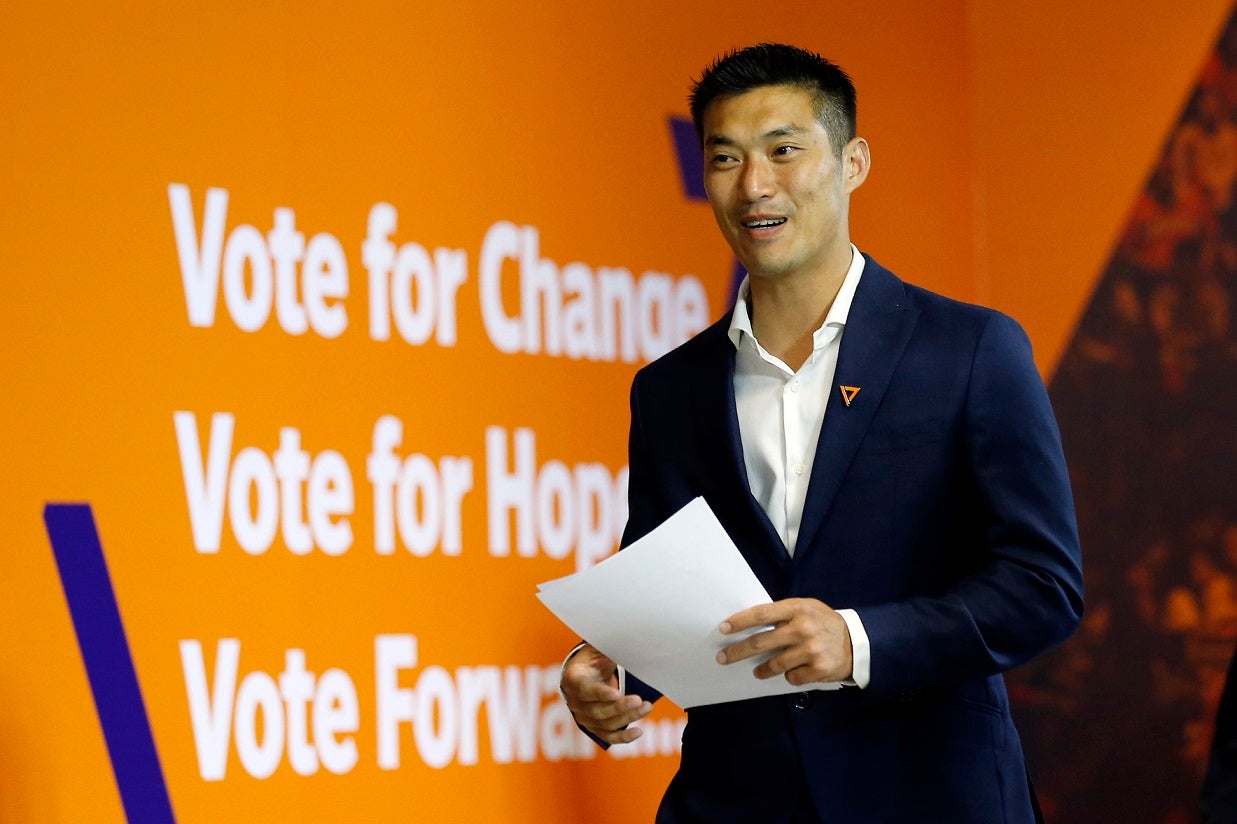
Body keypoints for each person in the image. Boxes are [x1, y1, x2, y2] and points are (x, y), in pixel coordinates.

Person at [560, 43, 1084, 823]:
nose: (754, 186)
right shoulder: (669, 390)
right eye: (725, 158)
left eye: (783, 150)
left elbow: (1042, 586)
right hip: (735, 799)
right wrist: (606, 668)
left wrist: (859, 641)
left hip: (929, 794)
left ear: (852, 162)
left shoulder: (969, 350)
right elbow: (669, 593)